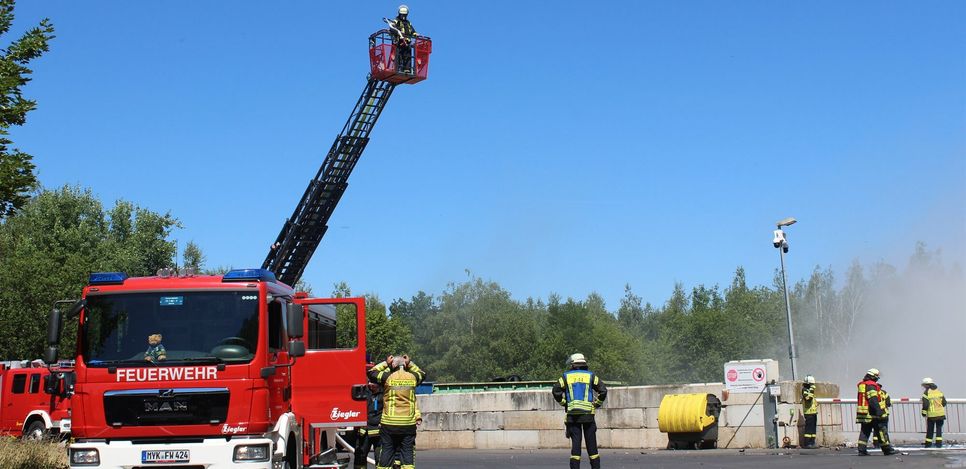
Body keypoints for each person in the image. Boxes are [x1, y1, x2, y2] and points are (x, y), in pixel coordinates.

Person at [369, 354, 425, 469]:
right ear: (404, 365)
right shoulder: (412, 377)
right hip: (408, 424)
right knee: (407, 452)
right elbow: (422, 374)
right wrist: (410, 363)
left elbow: (371, 372)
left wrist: (386, 363)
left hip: (389, 424)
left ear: (393, 365)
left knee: (386, 451)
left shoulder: (387, 377)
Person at [552, 353, 607, 469]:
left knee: (576, 448)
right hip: (588, 416)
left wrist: (564, 403)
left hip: (573, 417)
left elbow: (556, 390)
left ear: (573, 364)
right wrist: (597, 404)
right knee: (592, 447)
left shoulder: (566, 376)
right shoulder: (590, 376)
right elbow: (603, 390)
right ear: (583, 363)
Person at [855, 368, 896, 456]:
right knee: (881, 431)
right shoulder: (871, 385)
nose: (877, 379)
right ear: (873, 376)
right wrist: (878, 411)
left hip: (864, 413)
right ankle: (887, 450)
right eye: (877, 377)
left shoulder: (863, 385)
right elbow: (873, 399)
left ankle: (862, 450)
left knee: (865, 432)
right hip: (872, 413)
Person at [354, 363, 384, 469]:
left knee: (380, 458)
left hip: (378, 433)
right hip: (364, 432)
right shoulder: (364, 392)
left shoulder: (384, 394)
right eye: (369, 382)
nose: (371, 384)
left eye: (373, 383)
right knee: (360, 457)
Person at [387, 5, 418, 73]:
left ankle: (407, 69)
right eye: (402, 15)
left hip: (407, 42)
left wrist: (415, 34)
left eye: (405, 15)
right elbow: (392, 28)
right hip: (399, 42)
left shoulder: (408, 23)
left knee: (408, 55)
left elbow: (412, 30)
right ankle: (398, 68)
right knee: (399, 55)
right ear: (399, 14)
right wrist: (397, 30)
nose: (403, 16)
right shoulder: (396, 21)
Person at [921, 377, 947, 448]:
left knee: (930, 430)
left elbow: (925, 405)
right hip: (941, 414)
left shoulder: (926, 393)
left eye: (924, 385)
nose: (923, 387)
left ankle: (928, 445)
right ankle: (939, 444)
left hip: (932, 415)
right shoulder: (939, 391)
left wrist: (923, 412)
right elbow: (944, 403)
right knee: (939, 429)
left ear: (927, 385)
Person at [801, 375, 818, 449]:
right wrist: (811, 390)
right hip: (808, 413)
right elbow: (808, 399)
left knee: (813, 428)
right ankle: (807, 443)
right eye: (811, 384)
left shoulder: (809, 390)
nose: (812, 385)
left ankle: (812, 442)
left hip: (813, 413)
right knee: (809, 429)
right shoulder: (804, 390)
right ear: (808, 383)